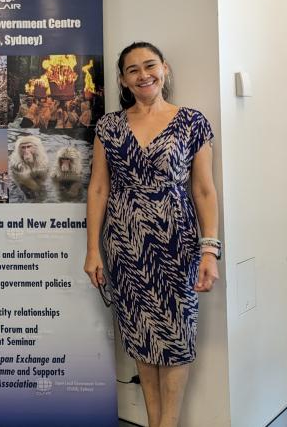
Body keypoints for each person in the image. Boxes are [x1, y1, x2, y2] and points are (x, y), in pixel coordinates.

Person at [84, 41, 220, 427]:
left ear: (165, 69)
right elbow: (97, 189)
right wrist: (92, 249)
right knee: (141, 335)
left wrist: (210, 250)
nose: (143, 75)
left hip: (178, 242)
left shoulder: (193, 122)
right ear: (124, 80)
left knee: (176, 338)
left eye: (150, 66)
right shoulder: (109, 126)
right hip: (125, 245)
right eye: (133, 70)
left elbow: (204, 190)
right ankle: (154, 421)